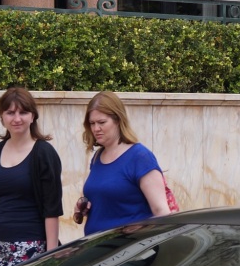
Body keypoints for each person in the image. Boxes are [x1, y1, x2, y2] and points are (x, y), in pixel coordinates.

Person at [0, 87, 63, 266]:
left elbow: (51, 208)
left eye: (23, 112)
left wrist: (51, 254)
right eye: (10, 112)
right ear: (2, 116)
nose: (17, 118)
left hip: (31, 247)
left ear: (33, 116)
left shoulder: (44, 153)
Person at [74, 90, 172, 235]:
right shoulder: (97, 157)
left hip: (129, 251)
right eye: (92, 123)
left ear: (118, 120)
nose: (96, 129)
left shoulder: (140, 157)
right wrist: (83, 208)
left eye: (102, 122)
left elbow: (161, 212)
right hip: (97, 249)